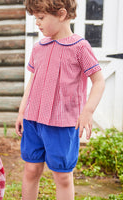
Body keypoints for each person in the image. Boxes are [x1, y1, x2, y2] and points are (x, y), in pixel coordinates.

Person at [15, 0, 105, 199]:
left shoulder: (80, 47)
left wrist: (87, 111)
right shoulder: (38, 47)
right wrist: (22, 112)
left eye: (41, 18)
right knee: (31, 170)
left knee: (63, 177)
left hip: (62, 125)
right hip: (33, 121)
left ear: (62, 14)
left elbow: (99, 81)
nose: (37, 23)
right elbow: (32, 82)